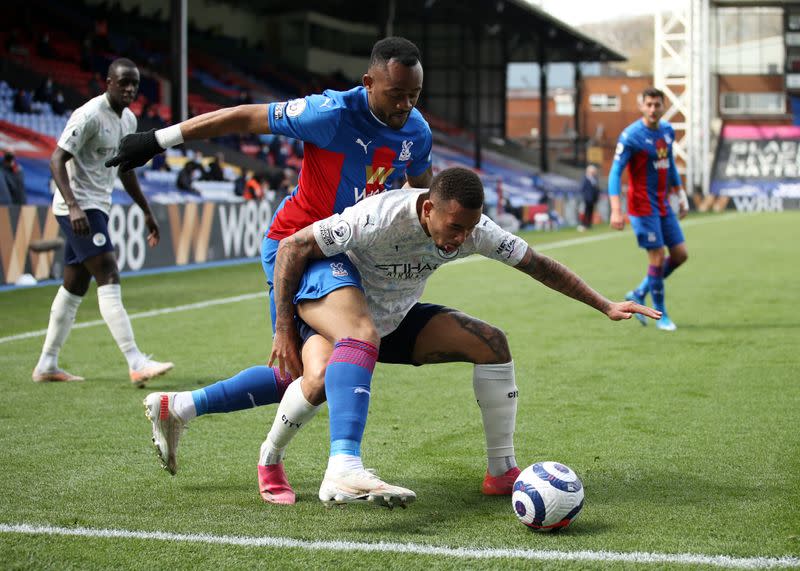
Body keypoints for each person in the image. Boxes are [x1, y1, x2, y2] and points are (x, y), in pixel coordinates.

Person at [143, 168, 659, 508]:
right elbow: (294, 248)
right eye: (453, 227)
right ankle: (294, 462)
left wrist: (605, 304)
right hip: (336, 307)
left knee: (491, 343)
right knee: (315, 374)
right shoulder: (377, 217)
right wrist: (283, 325)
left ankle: (501, 470)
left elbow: (538, 265)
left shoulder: (474, 230)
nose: (459, 240)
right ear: (428, 207)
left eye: (468, 229)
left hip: (392, 320)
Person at [106, 36, 434, 499]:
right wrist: (158, 140)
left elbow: (422, 196)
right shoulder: (331, 113)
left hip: (349, 252)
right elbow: (244, 116)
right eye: (395, 93)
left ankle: (177, 407)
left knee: (303, 376)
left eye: (413, 95)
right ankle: (343, 464)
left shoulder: (416, 132)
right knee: (358, 336)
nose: (404, 105)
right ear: (368, 83)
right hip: (298, 245)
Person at [32, 58, 174, 385]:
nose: (129, 89)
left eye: (134, 85)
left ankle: (47, 364)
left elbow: (126, 170)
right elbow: (56, 159)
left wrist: (146, 211)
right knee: (108, 271)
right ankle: (136, 361)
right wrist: (74, 206)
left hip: (99, 205)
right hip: (79, 207)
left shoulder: (128, 120)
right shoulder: (89, 115)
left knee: (74, 286)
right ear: (107, 81)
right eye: (123, 82)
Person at [607, 87, 689, 332]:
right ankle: (661, 315)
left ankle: (639, 292)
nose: (653, 109)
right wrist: (615, 209)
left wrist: (680, 193)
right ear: (641, 106)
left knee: (680, 255)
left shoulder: (667, 131)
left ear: (663, 106)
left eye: (657, 105)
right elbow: (614, 173)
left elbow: (670, 163)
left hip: (663, 204)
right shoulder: (631, 136)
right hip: (641, 206)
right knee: (656, 256)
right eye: (649, 105)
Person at [578, 164, 600, 231]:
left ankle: (589, 224)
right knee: (585, 211)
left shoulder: (594, 179)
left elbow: (596, 189)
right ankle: (583, 224)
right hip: (587, 199)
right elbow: (582, 188)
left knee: (590, 212)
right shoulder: (585, 178)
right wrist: (585, 196)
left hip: (592, 199)